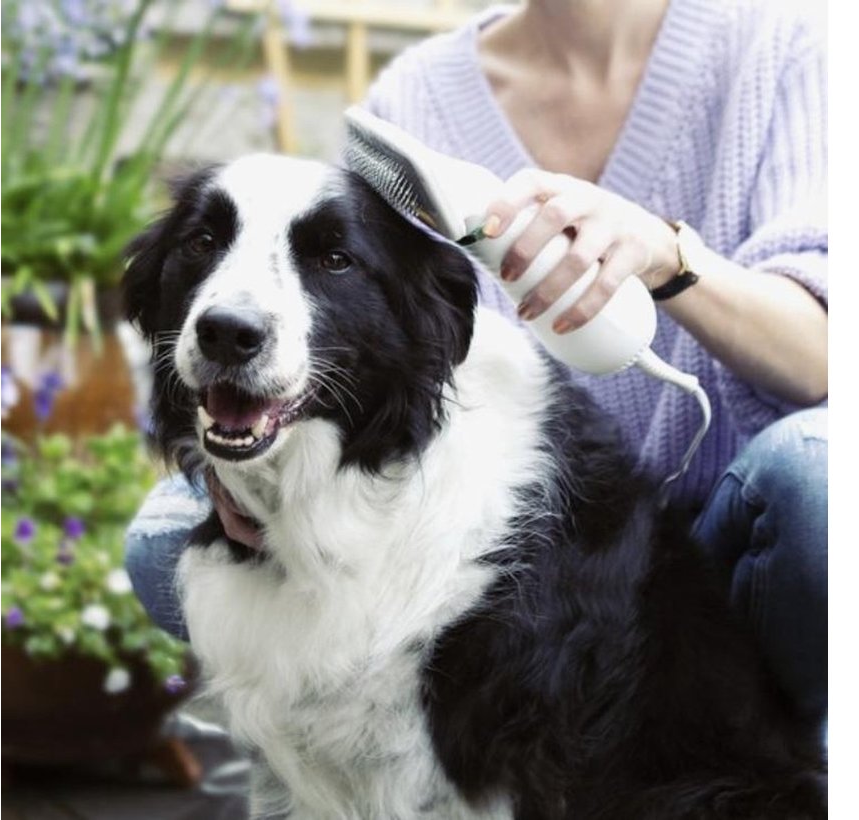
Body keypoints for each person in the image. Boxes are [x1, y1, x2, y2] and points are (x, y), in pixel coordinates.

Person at [125, 0, 827, 727]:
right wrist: (246, 457)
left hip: (736, 546)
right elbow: (373, 361)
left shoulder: (786, 47)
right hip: (529, 544)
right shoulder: (415, 99)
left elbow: (826, 359)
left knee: (823, 476)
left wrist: (666, 256)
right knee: (163, 539)